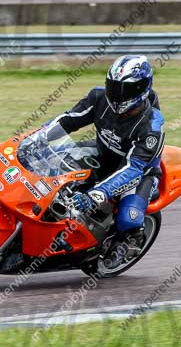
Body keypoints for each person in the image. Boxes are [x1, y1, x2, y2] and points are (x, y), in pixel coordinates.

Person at [44, 55, 164, 267]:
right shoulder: (98, 98)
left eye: (125, 90)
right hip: (103, 153)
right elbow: (68, 120)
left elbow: (133, 168)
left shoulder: (152, 126)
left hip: (138, 172)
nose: (118, 95)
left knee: (128, 218)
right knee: (48, 166)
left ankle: (131, 239)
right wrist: (31, 140)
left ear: (142, 88)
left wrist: (95, 195)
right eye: (114, 87)